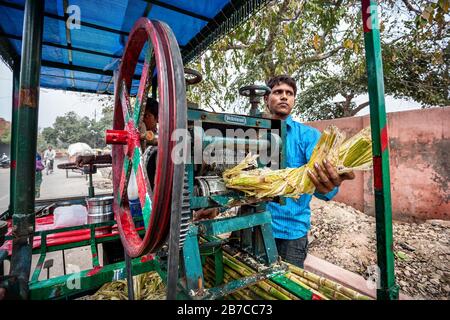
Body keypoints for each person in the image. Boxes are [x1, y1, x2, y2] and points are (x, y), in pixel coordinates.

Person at [263, 75, 355, 268]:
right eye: (278, 92)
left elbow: (328, 191)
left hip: (291, 231)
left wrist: (328, 183)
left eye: (289, 93)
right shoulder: (252, 134)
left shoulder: (309, 136)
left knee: (288, 291)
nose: (284, 97)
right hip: (254, 225)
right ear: (265, 99)